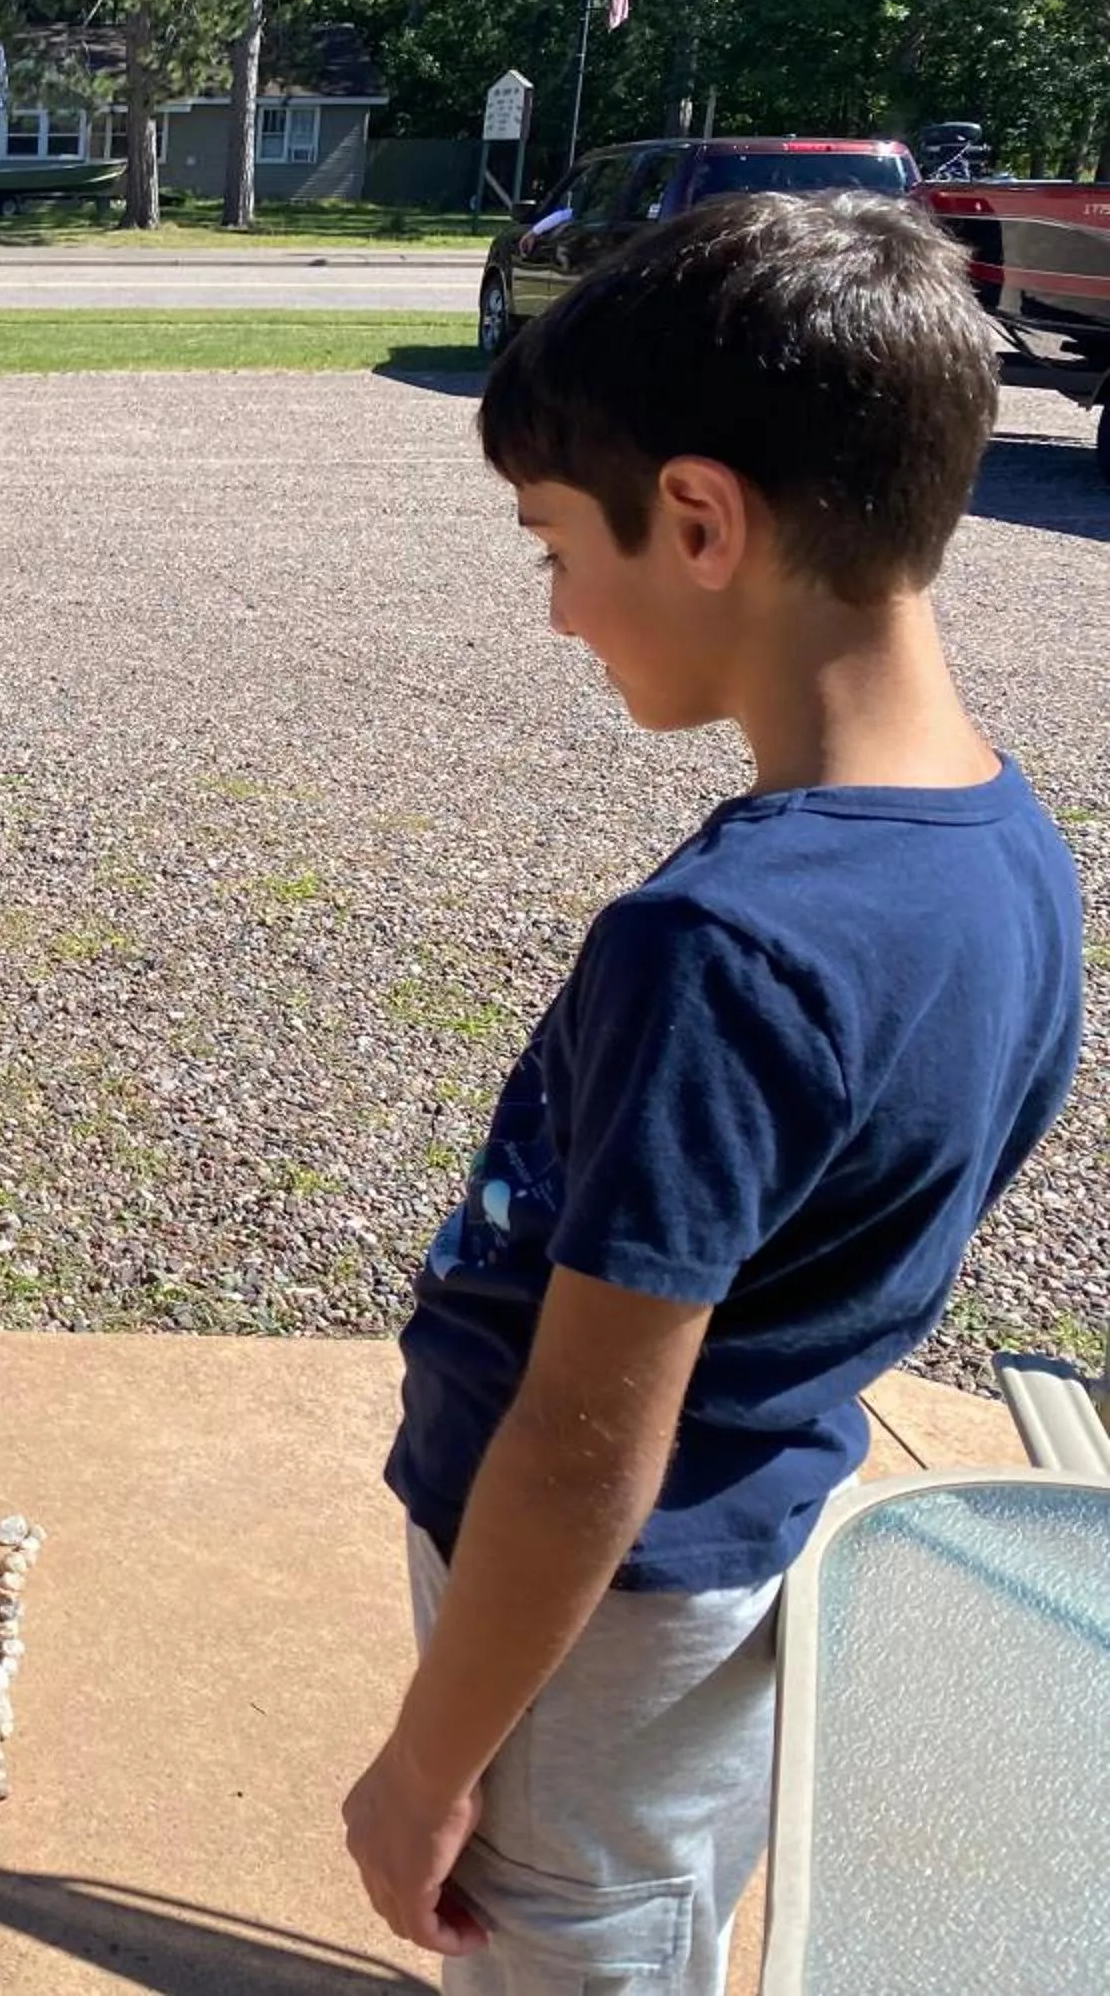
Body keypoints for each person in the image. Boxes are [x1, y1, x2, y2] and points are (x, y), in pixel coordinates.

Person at [343, 191, 1084, 1995]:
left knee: (575, 1948)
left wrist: (426, 1764)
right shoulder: (1010, 857)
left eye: (550, 548)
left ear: (696, 519)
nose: (554, 614)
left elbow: (594, 1443)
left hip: (593, 1637)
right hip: (728, 1572)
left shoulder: (725, 949)